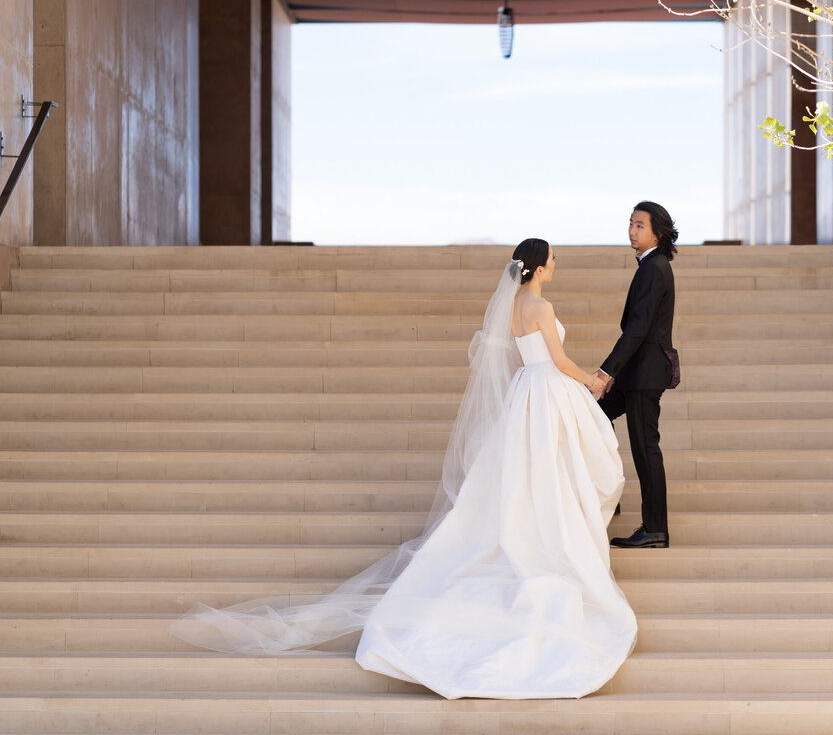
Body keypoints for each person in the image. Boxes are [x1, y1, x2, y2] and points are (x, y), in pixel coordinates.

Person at [171, 238, 637, 700]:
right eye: (552, 258)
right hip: (546, 390)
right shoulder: (539, 304)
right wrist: (593, 379)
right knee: (549, 472)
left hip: (525, 395)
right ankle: (548, 537)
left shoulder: (512, 303)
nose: (556, 264)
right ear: (537, 268)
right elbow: (556, 361)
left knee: (527, 474)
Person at [595, 202, 678, 549]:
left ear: (657, 231)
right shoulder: (650, 265)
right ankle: (607, 493)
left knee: (646, 450)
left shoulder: (654, 267)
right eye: (630, 224)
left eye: (639, 225)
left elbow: (638, 329)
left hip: (645, 374)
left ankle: (655, 529)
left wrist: (605, 371)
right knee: (595, 413)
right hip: (637, 372)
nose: (632, 230)